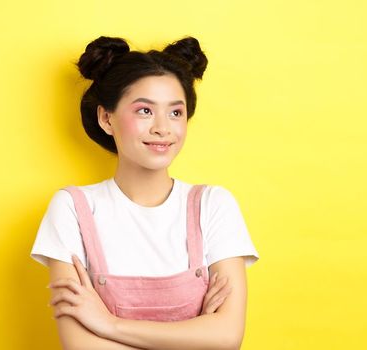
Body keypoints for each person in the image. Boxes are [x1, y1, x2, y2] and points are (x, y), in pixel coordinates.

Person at [30, 35, 259, 349]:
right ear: (106, 118)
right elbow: (80, 346)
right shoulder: (73, 208)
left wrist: (108, 324)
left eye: (175, 113)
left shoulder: (213, 205)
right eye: (144, 111)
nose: (162, 128)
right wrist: (194, 336)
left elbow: (226, 337)